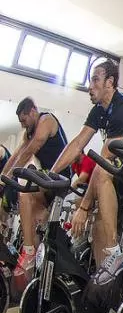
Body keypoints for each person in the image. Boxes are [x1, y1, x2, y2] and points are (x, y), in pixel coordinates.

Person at [48, 60, 123, 285]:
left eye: (95, 80)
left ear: (110, 82)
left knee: (103, 173)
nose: (90, 86)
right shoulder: (99, 110)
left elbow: (104, 159)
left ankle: (115, 253)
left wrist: (83, 207)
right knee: (100, 220)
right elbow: (78, 143)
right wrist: (50, 174)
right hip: (122, 167)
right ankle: (105, 283)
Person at [1, 98, 68, 277]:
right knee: (35, 220)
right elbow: (17, 154)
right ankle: (37, 271)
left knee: (25, 194)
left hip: (59, 177)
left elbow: (32, 149)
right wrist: (2, 178)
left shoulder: (46, 120)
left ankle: (29, 253)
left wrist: (10, 175)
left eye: (24, 120)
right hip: (45, 179)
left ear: (32, 112)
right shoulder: (28, 132)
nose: (23, 126)